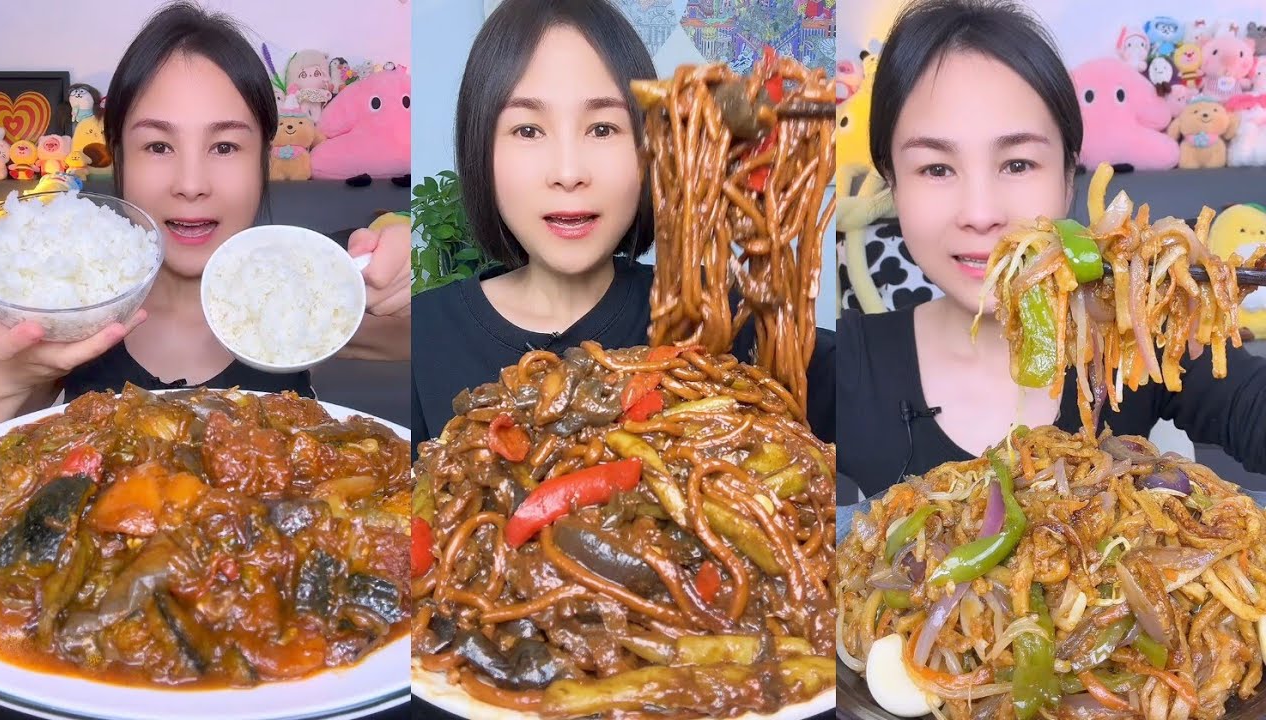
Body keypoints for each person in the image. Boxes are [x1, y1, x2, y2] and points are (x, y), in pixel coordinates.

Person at [837, 0, 1266, 497]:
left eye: (1017, 164)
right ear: (892, 183)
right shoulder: (840, 362)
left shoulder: (1142, 335)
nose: (981, 212)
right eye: (936, 168)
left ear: (1068, 177)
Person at [411, 0, 836, 458]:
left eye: (602, 128)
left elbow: (861, 386)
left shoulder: (733, 327)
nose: (569, 172)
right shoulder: (422, 336)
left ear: (650, 146)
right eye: (528, 130)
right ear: (480, 147)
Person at [0, 1, 411, 427]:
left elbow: (423, 332)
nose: (191, 184)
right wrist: (2, 383)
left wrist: (409, 254)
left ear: (264, 158)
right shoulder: (49, 300)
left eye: (225, 147)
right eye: (158, 146)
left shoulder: (310, 291)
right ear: (119, 157)